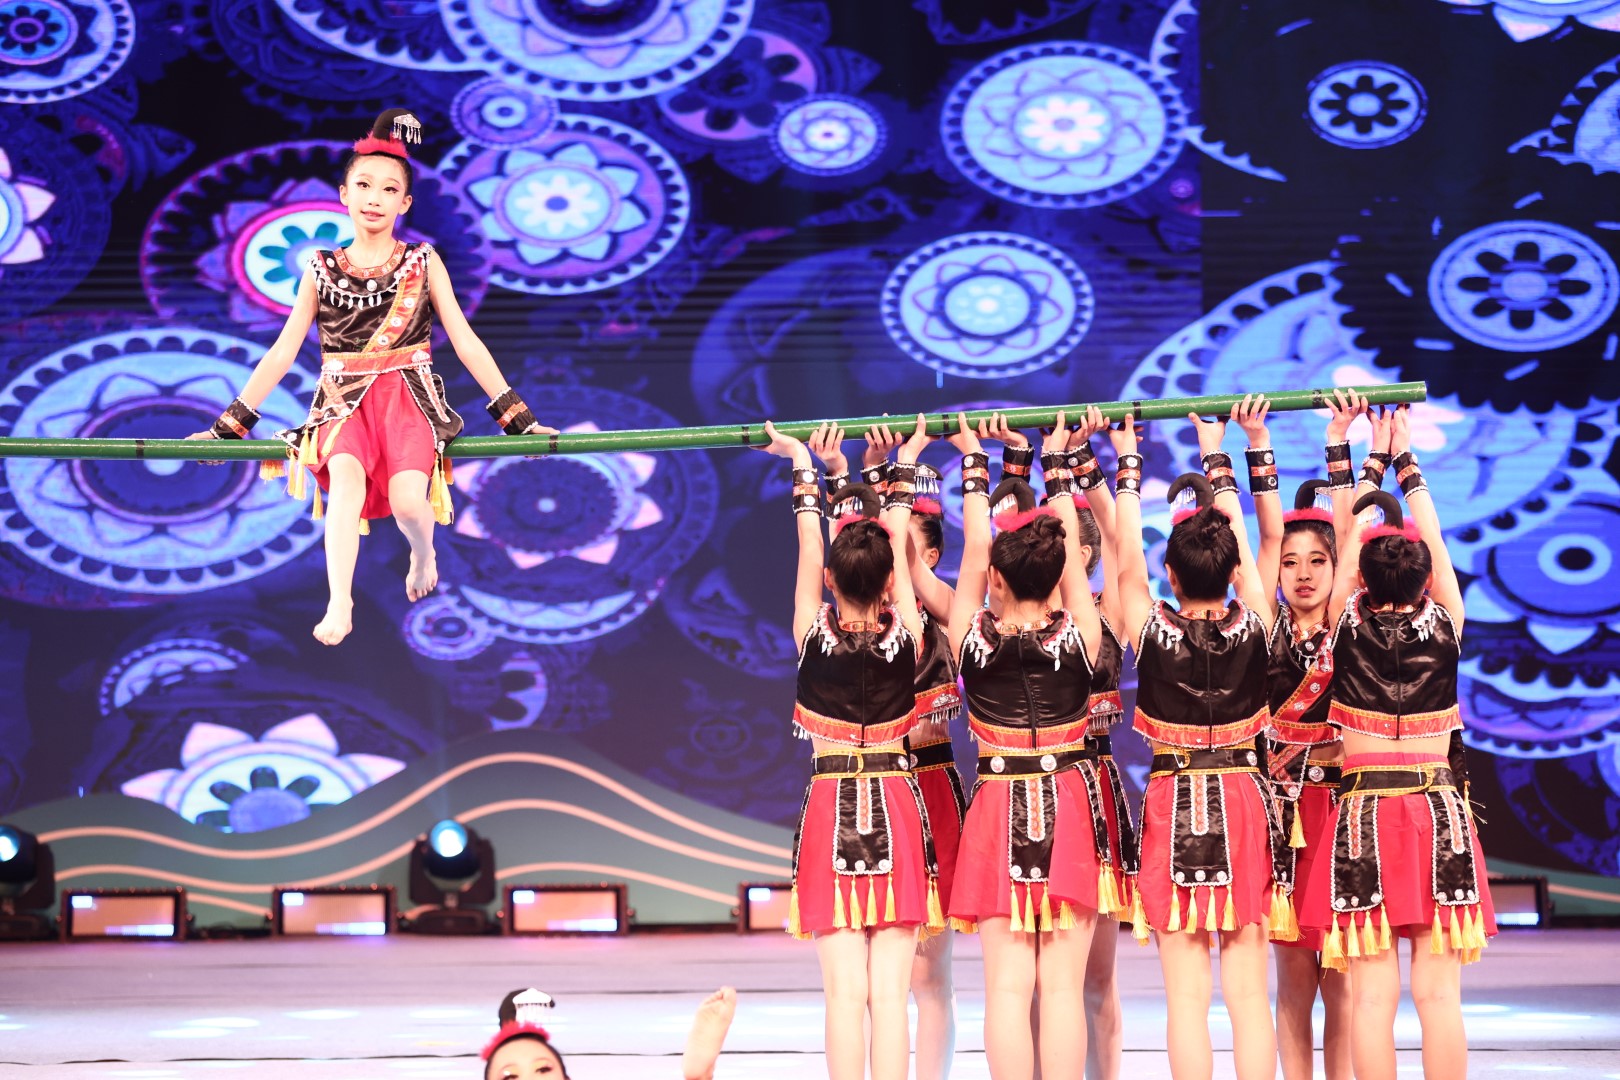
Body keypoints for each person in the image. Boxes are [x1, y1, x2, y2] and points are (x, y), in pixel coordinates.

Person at [190, 108, 553, 646]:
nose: (374, 197)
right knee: (344, 485)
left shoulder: (423, 262)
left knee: (408, 501)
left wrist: (519, 421)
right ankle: (339, 600)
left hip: (408, 397)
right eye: (363, 185)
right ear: (343, 194)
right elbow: (283, 351)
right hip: (342, 403)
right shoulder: (319, 267)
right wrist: (227, 430)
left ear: (405, 203)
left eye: (389, 189)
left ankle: (423, 553)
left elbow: (466, 341)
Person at [1301, 403, 1495, 1080]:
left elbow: (1349, 531)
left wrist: (1366, 456)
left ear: (1358, 578)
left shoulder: (1343, 622)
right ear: (1425, 579)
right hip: (1438, 814)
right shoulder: (1447, 621)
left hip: (1365, 816)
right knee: (1439, 997)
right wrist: (1407, 462)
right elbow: (1433, 542)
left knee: (1372, 999)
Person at [1110, 402, 1284, 1080]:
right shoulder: (1257, 622)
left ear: (1172, 576)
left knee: (1185, 1000)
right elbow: (1241, 557)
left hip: (1173, 798)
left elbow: (1128, 563)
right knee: (1248, 997)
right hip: (1243, 796)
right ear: (1234, 570)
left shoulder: (1151, 629)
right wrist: (1220, 453)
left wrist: (1129, 463)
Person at [929, 412, 1105, 1080]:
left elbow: (976, 550)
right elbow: (1057, 551)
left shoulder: (970, 637)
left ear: (997, 582)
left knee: (1006, 989)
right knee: (1060, 990)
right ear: (1062, 576)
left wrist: (975, 459)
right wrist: (1055, 464)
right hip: (1068, 801)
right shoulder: (1080, 634)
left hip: (998, 806)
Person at [766, 415, 941, 1080]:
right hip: (896, 802)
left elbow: (811, 545)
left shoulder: (812, 633)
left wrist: (802, 465)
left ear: (831, 580)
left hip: (831, 804)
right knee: (888, 996)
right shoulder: (908, 633)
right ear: (891, 582)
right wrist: (902, 469)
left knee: (844, 995)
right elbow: (893, 545)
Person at [809, 422, 964, 1080]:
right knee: (875, 982)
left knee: (928, 975)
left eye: (911, 552)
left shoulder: (945, 613)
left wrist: (873, 482)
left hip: (929, 785)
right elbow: (855, 558)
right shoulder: (875, 619)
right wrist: (859, 479)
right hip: (881, 784)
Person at [1243, 392, 1367, 1080]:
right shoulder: (1263, 628)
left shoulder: (1350, 624)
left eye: (1317, 561)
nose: (1303, 573)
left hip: (1343, 812)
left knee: (1343, 980)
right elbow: (1265, 534)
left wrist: (1338, 439)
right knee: (1292, 980)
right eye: (1291, 563)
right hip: (1282, 816)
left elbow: (1350, 531)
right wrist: (1256, 444)